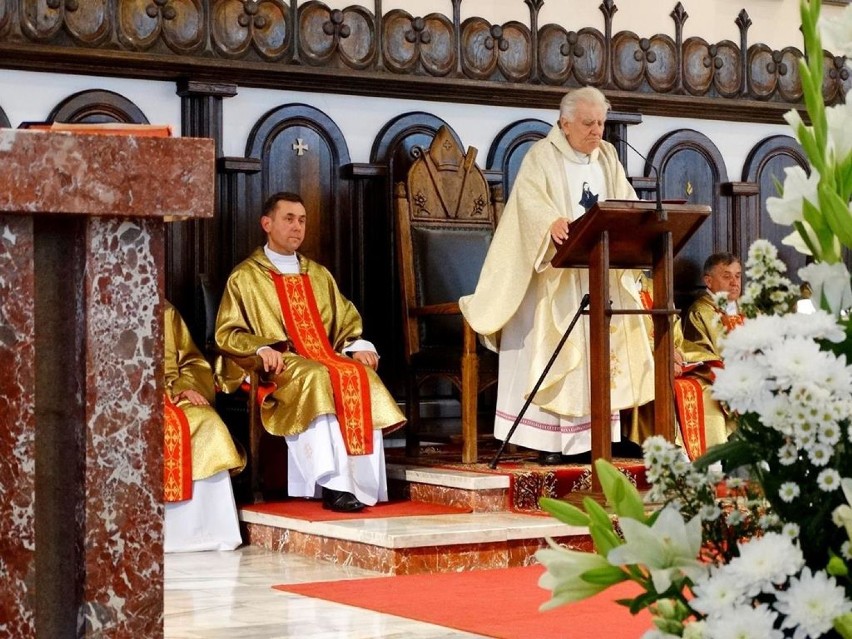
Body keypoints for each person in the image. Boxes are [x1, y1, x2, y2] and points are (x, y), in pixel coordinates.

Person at [459, 87, 655, 466]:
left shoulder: (608, 156)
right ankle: (548, 441)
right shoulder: (542, 156)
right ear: (565, 123)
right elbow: (527, 205)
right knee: (554, 343)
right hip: (554, 274)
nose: (597, 130)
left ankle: (596, 438)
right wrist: (550, 222)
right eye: (588, 123)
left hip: (596, 271)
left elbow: (623, 199)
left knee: (599, 347)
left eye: (601, 122)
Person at [214, 191, 405, 512]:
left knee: (357, 373)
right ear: (267, 223)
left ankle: (362, 484)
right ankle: (333, 485)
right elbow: (227, 332)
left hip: (323, 356)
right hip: (276, 364)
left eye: (302, 220)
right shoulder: (245, 277)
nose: (297, 227)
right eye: (288, 219)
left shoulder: (318, 274)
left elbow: (345, 321)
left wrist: (357, 346)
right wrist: (260, 348)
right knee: (315, 377)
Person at [163, 300, 245, 553]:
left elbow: (191, 361)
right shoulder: (92, 305)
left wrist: (182, 388)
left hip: (170, 395)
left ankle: (209, 533)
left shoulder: (164, 310)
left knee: (207, 422)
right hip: (119, 403)